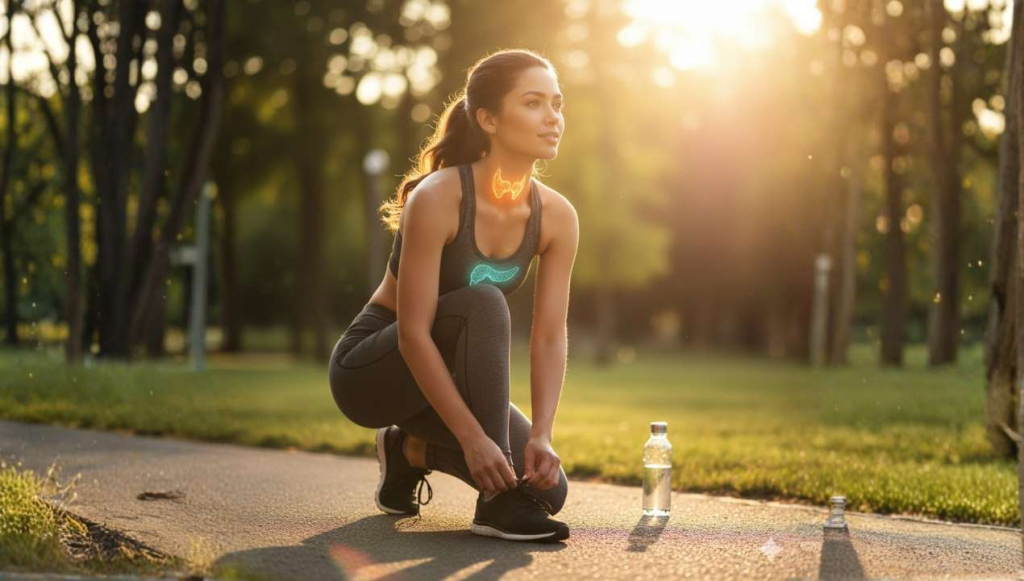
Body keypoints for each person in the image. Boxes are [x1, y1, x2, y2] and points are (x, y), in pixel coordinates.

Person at [328, 48, 578, 543]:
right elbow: (414, 335)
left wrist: (543, 435)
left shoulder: (558, 216)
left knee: (548, 490)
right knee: (485, 301)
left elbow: (549, 337)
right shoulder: (440, 198)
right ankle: (495, 504)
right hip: (376, 369)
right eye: (533, 103)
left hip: (452, 379)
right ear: (488, 118)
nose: (553, 117)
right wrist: (473, 438)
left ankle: (408, 452)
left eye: (557, 103)